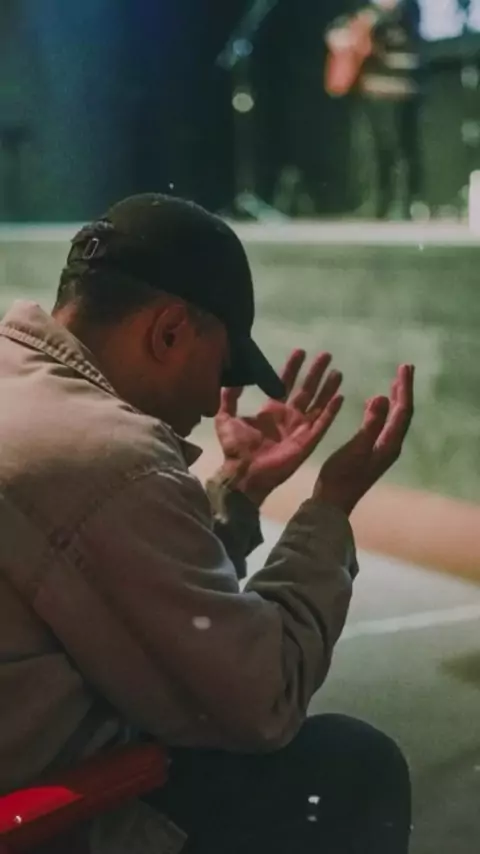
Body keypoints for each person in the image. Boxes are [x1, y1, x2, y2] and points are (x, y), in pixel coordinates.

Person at [0, 193, 414, 853]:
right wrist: (330, 508)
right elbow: (262, 699)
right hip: (40, 820)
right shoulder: (106, 453)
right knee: (352, 766)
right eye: (221, 367)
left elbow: (118, 599)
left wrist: (238, 490)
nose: (212, 397)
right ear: (168, 331)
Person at [326, 0, 424, 219]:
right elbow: (336, 35)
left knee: (401, 150)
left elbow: (412, 48)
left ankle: (404, 204)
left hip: (402, 92)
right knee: (373, 151)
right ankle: (375, 203)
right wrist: (346, 39)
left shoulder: (408, 12)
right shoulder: (362, 15)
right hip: (372, 93)